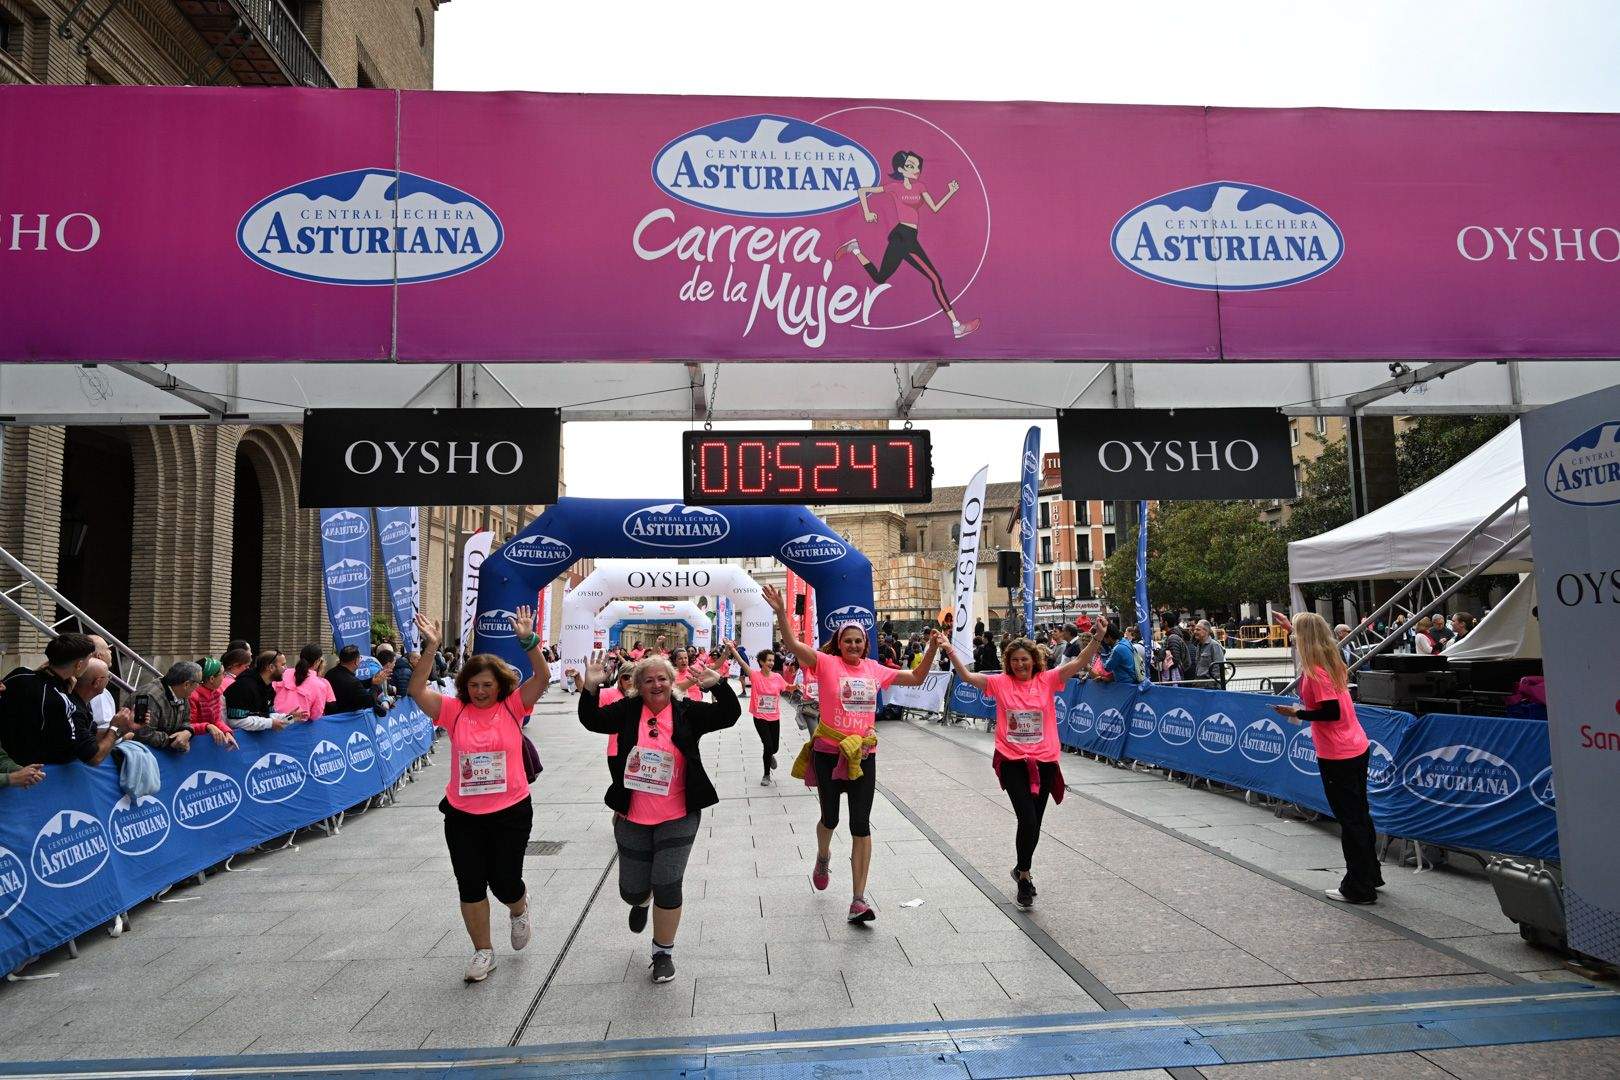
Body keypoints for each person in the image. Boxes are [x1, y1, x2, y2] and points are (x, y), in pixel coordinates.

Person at [762, 584, 940, 924]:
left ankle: (858, 899)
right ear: (839, 644)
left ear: (866, 645)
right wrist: (782, 612)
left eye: (859, 641)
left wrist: (931, 647)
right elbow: (795, 646)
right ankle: (823, 855)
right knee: (830, 818)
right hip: (828, 753)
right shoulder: (826, 663)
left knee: (861, 824)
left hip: (863, 756)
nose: (854, 646)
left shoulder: (874, 669)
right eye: (848, 641)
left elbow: (916, 677)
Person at [407, 607, 550, 984]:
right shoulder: (453, 711)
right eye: (474, 685)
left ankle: (518, 908)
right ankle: (483, 951)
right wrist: (432, 646)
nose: (481, 691)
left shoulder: (513, 706)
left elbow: (543, 676)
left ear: (499, 685)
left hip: (511, 811)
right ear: (464, 687)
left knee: (504, 881)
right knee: (470, 883)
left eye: (487, 685)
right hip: (462, 813)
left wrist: (528, 641)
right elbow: (416, 690)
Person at [577, 651, 738, 984]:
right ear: (638, 686)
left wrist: (719, 685)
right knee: (632, 891)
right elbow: (592, 720)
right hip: (633, 814)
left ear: (672, 682)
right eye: (648, 679)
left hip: (678, 812)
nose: (656, 684)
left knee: (667, 882)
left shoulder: (686, 711)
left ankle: (662, 952)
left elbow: (728, 715)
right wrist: (590, 688)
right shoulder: (627, 711)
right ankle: (641, 900)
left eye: (662, 678)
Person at [944, 627, 1105, 909]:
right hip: (1012, 761)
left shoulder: (1048, 680)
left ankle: (1021, 868)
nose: (1020, 664)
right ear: (1009, 663)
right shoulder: (1001, 683)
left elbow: (1079, 662)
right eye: (1015, 660)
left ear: (1034, 660)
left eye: (1025, 660)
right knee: (1027, 820)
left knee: (1035, 824)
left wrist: (1098, 638)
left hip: (1044, 762)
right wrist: (949, 649)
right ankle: (1025, 878)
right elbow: (967, 677)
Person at [1271, 612, 1382, 905]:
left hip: (1337, 751)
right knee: (1360, 813)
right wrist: (1291, 626)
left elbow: (1330, 711)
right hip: (1355, 744)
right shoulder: (1332, 661)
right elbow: (1315, 637)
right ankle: (1371, 874)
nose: (1291, 637)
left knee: (1350, 819)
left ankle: (1358, 886)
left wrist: (1298, 713)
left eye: (1294, 633)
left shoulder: (1316, 671)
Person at [832, 150, 981, 340]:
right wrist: (867, 212)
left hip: (910, 237)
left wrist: (950, 192)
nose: (916, 169)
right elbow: (862, 191)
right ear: (901, 169)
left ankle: (855, 249)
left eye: (918, 166)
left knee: (880, 278)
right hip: (902, 236)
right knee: (935, 279)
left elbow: (935, 208)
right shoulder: (895, 187)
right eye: (911, 166)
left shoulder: (920, 187)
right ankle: (956, 326)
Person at [0, 634, 118, 768]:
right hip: (31, 770)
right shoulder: (61, 700)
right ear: (79, 665)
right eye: (88, 659)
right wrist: (115, 728)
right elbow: (88, 754)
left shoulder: (20, 674)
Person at [726, 640, 788, 787]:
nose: (771, 663)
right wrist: (732, 649)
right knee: (767, 745)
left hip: (774, 717)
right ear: (761, 662)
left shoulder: (778, 677)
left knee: (775, 747)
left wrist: (795, 687)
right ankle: (766, 775)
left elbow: (787, 687)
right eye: (769, 660)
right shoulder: (754, 675)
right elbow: (741, 662)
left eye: (773, 660)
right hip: (760, 717)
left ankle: (771, 754)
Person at [129, 662, 211, 752]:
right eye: (199, 683)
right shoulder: (149, 696)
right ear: (186, 684)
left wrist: (187, 732)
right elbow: (142, 734)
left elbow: (186, 721)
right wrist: (173, 740)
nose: (199, 686)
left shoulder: (182, 694)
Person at [225, 650, 303, 731]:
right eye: (283, 665)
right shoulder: (243, 686)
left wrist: (289, 718)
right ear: (271, 667)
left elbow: (267, 716)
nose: (286, 668)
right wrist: (270, 723)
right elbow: (235, 721)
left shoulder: (269, 689)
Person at [186, 658, 238, 747]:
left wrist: (227, 732)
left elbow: (217, 720)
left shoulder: (216, 693)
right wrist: (208, 726)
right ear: (212, 678)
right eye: (222, 674)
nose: (224, 677)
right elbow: (187, 726)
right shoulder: (192, 697)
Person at [276, 644, 336, 721]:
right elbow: (316, 716)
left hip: (275, 723)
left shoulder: (283, 674)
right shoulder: (320, 684)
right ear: (317, 661)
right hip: (299, 727)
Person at [328, 645, 389, 717]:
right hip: (347, 721)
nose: (360, 660)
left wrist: (371, 681)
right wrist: (375, 685)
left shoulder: (330, 673)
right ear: (356, 661)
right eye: (360, 658)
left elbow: (355, 685)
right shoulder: (352, 681)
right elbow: (369, 701)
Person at [1187, 620, 1226, 687]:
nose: (1195, 632)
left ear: (1206, 631)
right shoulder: (1199, 646)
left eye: (1198, 630)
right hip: (1200, 684)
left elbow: (1218, 669)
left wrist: (1211, 685)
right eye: (1195, 629)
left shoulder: (1214, 645)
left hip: (1210, 687)